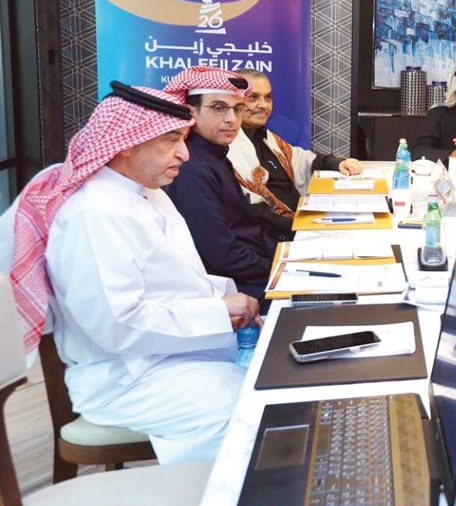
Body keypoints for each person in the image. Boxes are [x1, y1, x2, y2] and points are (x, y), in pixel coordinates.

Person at [0, 82, 259, 463]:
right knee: (255, 412)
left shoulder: (147, 193)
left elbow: (180, 279)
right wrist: (218, 311)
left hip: (172, 357)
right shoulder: (93, 215)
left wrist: (233, 307)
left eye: (183, 139)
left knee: (278, 382)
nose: (185, 154)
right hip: (128, 379)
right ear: (126, 142)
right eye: (171, 140)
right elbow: (117, 325)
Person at [162, 66, 276, 302]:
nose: (232, 119)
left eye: (237, 109)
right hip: (235, 289)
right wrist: (279, 270)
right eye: (218, 108)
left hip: (254, 270)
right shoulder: (191, 168)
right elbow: (222, 254)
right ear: (191, 112)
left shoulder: (215, 154)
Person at [227, 69, 363, 241]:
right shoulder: (228, 146)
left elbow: (303, 160)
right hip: (276, 237)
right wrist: (305, 230)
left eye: (268, 97)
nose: (263, 105)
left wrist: (338, 163)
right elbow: (255, 212)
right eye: (253, 97)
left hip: (303, 223)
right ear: (235, 102)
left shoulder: (266, 137)